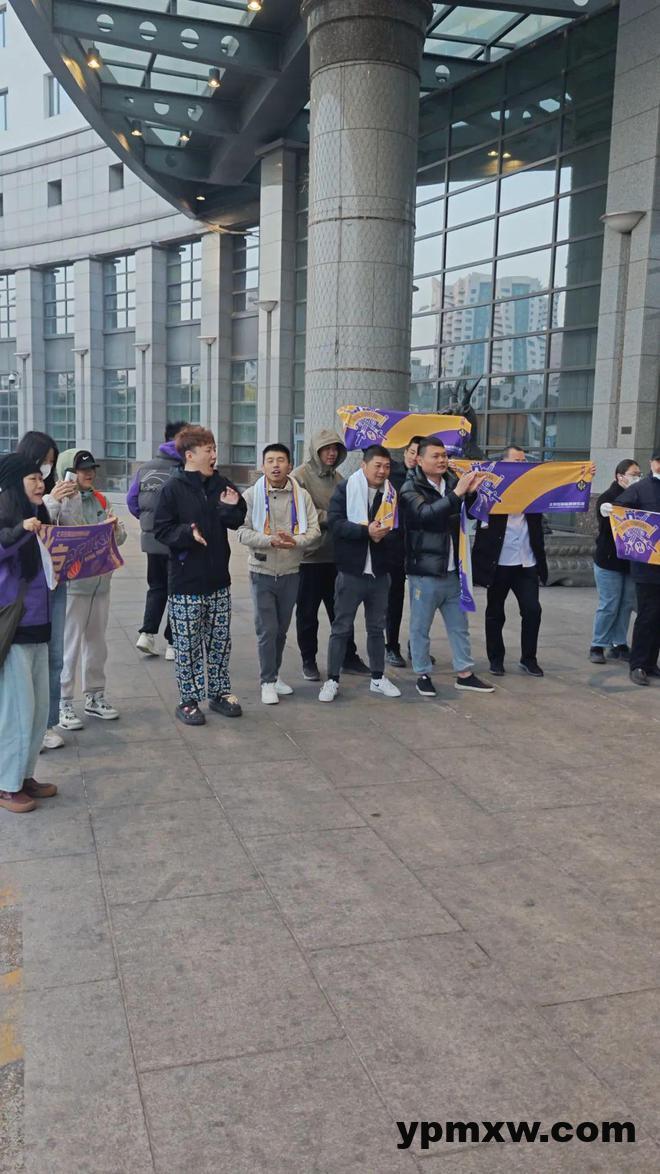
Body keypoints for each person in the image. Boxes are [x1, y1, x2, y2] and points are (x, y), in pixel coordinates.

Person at [153, 425, 246, 724]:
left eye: (214, 448)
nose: (214, 454)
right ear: (190, 455)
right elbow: (161, 529)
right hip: (185, 581)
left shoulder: (222, 484)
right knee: (188, 644)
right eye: (208, 450)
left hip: (218, 578)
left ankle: (219, 693)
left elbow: (236, 518)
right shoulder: (172, 488)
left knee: (220, 641)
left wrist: (230, 507)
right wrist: (187, 533)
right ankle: (188, 700)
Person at [400, 437, 494, 698]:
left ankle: (464, 673)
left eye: (444, 455)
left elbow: (471, 514)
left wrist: (472, 493)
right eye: (436, 456)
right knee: (420, 627)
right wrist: (457, 494)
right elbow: (425, 516)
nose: (442, 460)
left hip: (454, 569)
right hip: (425, 572)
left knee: (459, 626)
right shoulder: (410, 488)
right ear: (420, 460)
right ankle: (422, 674)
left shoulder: (453, 482)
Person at [44, 448, 127, 729]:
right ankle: (63, 702)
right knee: (68, 648)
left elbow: (120, 537)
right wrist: (58, 501)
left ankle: (95, 695)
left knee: (97, 645)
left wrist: (114, 530)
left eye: (91, 469)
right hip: (73, 587)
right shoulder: (58, 500)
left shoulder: (100, 499)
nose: (89, 473)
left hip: (101, 584)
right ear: (67, 472)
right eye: (82, 470)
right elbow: (51, 532)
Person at [318, 445, 401, 703]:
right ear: (364, 465)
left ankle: (378, 677)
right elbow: (335, 523)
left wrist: (383, 536)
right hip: (351, 571)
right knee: (341, 627)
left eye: (386, 466)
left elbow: (399, 530)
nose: (382, 471)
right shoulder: (346, 489)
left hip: (379, 573)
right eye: (377, 465)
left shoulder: (391, 495)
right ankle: (332, 679)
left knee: (376, 628)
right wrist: (366, 532)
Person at [0, 453, 59, 813]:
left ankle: (24, 775)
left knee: (37, 710)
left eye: (42, 477)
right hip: (15, 626)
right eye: (33, 478)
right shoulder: (9, 517)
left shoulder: (40, 516)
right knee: (17, 710)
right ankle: (6, 784)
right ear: (15, 483)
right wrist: (21, 531)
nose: (41, 484)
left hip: (40, 623)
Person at [239, 444, 320, 704]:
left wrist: (295, 542)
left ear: (289, 465)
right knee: (267, 629)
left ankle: (274, 675)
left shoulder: (301, 496)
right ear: (263, 466)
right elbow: (241, 531)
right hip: (261, 571)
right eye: (270, 460)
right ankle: (267, 681)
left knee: (282, 630)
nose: (275, 465)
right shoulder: (251, 495)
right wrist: (268, 540)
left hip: (291, 571)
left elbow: (314, 531)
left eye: (281, 460)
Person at [292, 429, 369, 681]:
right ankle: (308, 660)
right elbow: (302, 513)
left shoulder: (339, 478)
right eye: (326, 448)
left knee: (342, 612)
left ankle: (348, 657)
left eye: (335, 448)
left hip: (336, 557)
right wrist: (335, 518)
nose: (332, 453)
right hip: (309, 557)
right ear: (316, 450)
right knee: (307, 614)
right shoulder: (299, 477)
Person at [16, 430, 76, 749]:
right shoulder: (13, 495)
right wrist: (50, 500)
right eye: (42, 463)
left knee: (54, 655)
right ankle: (27, 726)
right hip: (26, 589)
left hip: (55, 581)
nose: (46, 471)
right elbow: (24, 529)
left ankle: (47, 723)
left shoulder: (52, 490)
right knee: (25, 661)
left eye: (50, 463)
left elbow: (66, 531)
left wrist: (66, 500)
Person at [472, 445, 548, 678]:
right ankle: (496, 659)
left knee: (533, 610)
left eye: (524, 461)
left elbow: (561, 485)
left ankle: (529, 659)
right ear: (504, 463)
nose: (521, 465)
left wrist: (583, 475)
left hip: (526, 562)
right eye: (516, 461)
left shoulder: (533, 488)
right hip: (499, 562)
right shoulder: (490, 487)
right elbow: (470, 506)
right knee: (495, 612)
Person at [126, 420, 186, 660]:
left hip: (152, 541)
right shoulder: (183, 469)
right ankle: (173, 643)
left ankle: (147, 634)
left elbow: (132, 501)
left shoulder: (145, 468)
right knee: (176, 591)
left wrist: (147, 522)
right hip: (176, 541)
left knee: (156, 587)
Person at [615, 450, 660, 686]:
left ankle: (651, 663)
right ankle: (638, 664)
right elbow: (620, 511)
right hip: (647, 565)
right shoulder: (640, 488)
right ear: (652, 462)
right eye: (659, 461)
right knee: (647, 615)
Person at [589, 458, 640, 665]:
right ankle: (598, 644)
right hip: (608, 561)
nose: (637, 478)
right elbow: (603, 519)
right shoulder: (608, 498)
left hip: (631, 561)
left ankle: (618, 644)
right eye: (633, 474)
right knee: (609, 604)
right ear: (620, 476)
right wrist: (606, 511)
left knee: (626, 604)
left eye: (639, 475)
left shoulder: (639, 497)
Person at [385, 435, 425, 667]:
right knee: (394, 598)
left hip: (420, 546)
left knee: (422, 600)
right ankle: (391, 646)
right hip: (395, 546)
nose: (413, 457)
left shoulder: (428, 480)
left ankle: (416, 647)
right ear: (405, 452)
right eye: (411, 452)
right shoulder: (392, 475)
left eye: (418, 454)